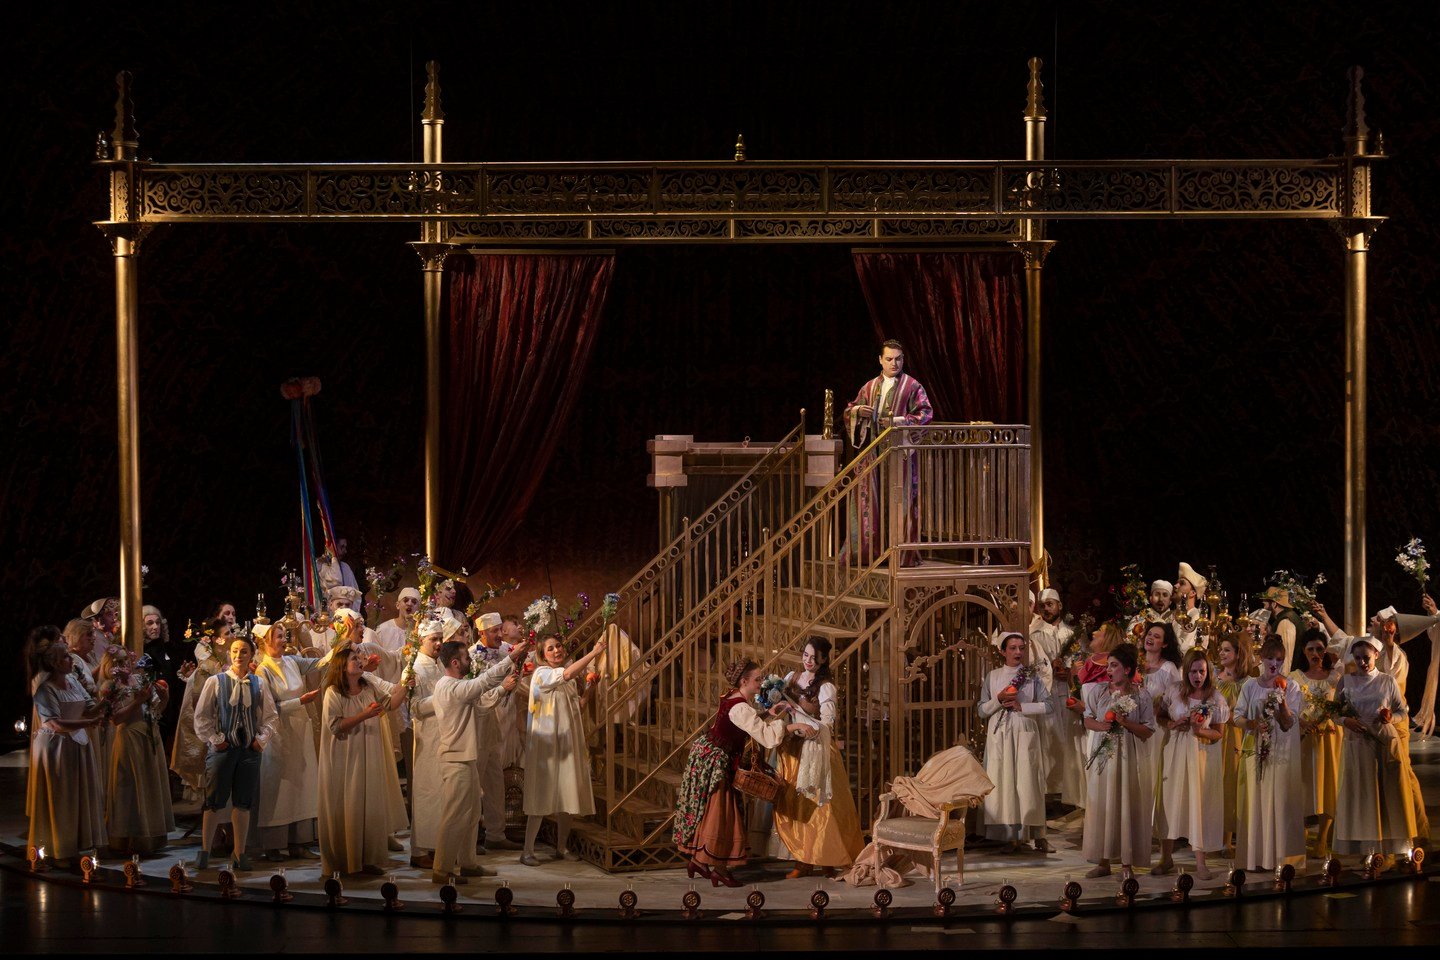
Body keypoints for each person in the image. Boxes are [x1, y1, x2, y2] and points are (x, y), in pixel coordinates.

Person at [674, 658, 812, 886]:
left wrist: (767, 713)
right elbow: (767, 737)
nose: (761, 683)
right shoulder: (740, 707)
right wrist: (794, 726)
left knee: (715, 812)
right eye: (757, 679)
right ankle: (718, 868)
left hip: (711, 755)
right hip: (716, 761)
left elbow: (746, 722)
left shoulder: (735, 697)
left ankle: (700, 862)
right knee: (722, 813)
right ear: (744, 681)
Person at [429, 636, 531, 883]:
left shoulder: (459, 687)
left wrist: (503, 689)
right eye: (465, 658)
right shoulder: (450, 687)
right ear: (455, 662)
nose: (469, 661)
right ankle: (441, 869)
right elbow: (482, 683)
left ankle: (468, 863)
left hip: (466, 758)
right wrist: (511, 657)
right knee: (456, 814)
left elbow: (482, 703)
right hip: (456, 760)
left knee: (472, 813)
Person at [771, 638, 865, 876]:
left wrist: (802, 720)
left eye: (814, 657)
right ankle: (803, 859)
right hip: (792, 748)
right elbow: (779, 707)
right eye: (805, 655)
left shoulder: (826, 687)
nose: (808, 661)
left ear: (823, 659)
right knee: (795, 804)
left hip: (816, 749)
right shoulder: (792, 677)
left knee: (819, 807)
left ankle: (827, 858)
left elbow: (827, 724)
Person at [318, 640, 410, 876]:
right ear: (342, 665)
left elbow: (390, 704)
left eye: (359, 658)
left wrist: (405, 685)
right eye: (354, 659)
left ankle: (368, 858)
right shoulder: (333, 692)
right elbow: (335, 726)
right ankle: (348, 862)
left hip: (369, 752)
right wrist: (364, 715)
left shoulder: (368, 686)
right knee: (351, 803)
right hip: (346, 756)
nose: (360, 661)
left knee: (368, 803)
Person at [841, 338, 934, 565]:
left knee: (900, 502)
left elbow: (925, 413)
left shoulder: (912, 386)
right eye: (889, 359)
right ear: (880, 360)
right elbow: (850, 410)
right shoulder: (870, 387)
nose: (894, 363)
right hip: (873, 455)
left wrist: (899, 421)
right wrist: (858, 411)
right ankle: (868, 552)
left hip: (900, 457)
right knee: (869, 503)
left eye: (898, 359)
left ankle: (901, 554)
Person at [192, 633, 278, 871]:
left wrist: (260, 740)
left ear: (252, 655)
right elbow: (202, 716)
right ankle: (205, 851)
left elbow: (271, 716)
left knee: (243, 802)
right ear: (229, 654)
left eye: (244, 651)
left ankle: (239, 853)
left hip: (248, 750)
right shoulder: (217, 681)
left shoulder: (258, 683)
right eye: (235, 651)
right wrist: (215, 740)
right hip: (223, 749)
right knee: (214, 801)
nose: (239, 655)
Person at [520, 634, 608, 865]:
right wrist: (594, 653)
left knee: (568, 794)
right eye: (550, 649)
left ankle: (562, 847)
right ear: (542, 655)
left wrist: (589, 688)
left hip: (567, 743)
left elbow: (579, 706)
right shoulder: (542, 674)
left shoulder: (566, 677)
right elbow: (567, 674)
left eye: (558, 646)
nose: (556, 651)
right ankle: (527, 851)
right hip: (547, 745)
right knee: (540, 795)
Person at [1333, 635, 1417, 864]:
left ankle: (1388, 849)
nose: (1362, 662)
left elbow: (1401, 710)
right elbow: (1334, 712)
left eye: (1366, 658)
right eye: (1358, 658)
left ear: (1376, 655)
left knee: (1386, 793)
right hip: (1357, 743)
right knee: (1363, 794)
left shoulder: (1387, 681)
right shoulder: (1346, 681)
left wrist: (1391, 717)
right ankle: (1366, 847)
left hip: (1383, 741)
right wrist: (1345, 721)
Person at [27, 626, 105, 868]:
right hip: (56, 748)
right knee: (61, 798)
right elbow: (55, 723)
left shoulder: (72, 680)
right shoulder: (45, 688)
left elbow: (89, 707)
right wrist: (88, 723)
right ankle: (58, 848)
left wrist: (110, 699)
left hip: (78, 743)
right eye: (66, 657)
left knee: (78, 796)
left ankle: (77, 845)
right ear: (54, 663)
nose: (71, 660)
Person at [1080, 643, 1156, 880]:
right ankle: (1103, 861)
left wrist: (1126, 723)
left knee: (1126, 804)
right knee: (1104, 803)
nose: (1109, 670)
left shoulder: (1141, 695)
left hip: (1129, 756)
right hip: (1105, 755)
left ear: (1128, 669)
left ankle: (1126, 863)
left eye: (1114, 666)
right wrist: (1102, 726)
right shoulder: (1099, 691)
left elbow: (1148, 730)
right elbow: (1087, 719)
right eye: (1108, 666)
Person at [253, 621, 325, 862]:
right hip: (279, 733)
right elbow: (269, 708)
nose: (285, 640)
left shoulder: (292, 661)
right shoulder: (263, 671)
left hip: (300, 731)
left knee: (302, 785)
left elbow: (320, 663)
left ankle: (299, 842)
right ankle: (273, 845)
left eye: (285, 636)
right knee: (280, 788)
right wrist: (300, 701)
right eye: (279, 637)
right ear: (265, 642)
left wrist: (340, 641)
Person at [1234, 635, 1305, 872]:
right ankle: (1256, 857)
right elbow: (1237, 716)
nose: (1275, 664)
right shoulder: (1250, 685)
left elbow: (1289, 723)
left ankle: (1280, 858)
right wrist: (1253, 724)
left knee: (1280, 800)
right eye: (1270, 659)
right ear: (1262, 658)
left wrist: (1282, 702)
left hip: (1281, 752)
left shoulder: (1291, 686)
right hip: (1256, 749)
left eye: (1279, 659)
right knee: (1257, 800)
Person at [1155, 649, 1228, 878]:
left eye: (1202, 671)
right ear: (1186, 672)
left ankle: (1200, 862)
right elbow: (1160, 715)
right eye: (1194, 671)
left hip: (1201, 754)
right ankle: (1166, 858)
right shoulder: (1175, 691)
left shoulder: (1215, 698)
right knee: (1170, 801)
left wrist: (1200, 730)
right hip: (1175, 751)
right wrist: (1172, 723)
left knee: (1198, 803)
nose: (1198, 676)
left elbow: (1219, 733)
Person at [979, 632, 1051, 854]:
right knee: (1004, 782)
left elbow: (1048, 705)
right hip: (1000, 734)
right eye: (1012, 648)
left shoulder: (1032, 676)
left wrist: (1023, 707)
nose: (1018, 652)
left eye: (1021, 648)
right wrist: (998, 700)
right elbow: (981, 710)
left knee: (1028, 782)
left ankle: (1037, 834)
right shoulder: (993, 676)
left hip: (1024, 730)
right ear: (1003, 651)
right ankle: (1010, 837)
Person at [99, 647, 174, 855]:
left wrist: (164, 698)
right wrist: (137, 701)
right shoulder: (110, 686)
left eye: (126, 660)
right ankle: (128, 837)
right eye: (118, 662)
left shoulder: (139, 680)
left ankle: (151, 838)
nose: (123, 665)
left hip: (148, 734)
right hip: (130, 737)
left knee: (149, 784)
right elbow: (115, 719)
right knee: (130, 786)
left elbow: (154, 710)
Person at [471, 611, 522, 851]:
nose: (500, 634)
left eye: (501, 629)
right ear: (482, 633)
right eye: (494, 631)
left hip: (496, 724)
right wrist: (502, 688)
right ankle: (471, 837)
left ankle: (496, 833)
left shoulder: (504, 651)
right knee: (475, 782)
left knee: (495, 780)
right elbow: (476, 692)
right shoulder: (472, 656)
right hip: (477, 725)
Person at [1029, 588, 1083, 805]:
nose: (1046, 609)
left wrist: (1069, 672)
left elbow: (1082, 661)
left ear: (1059, 606)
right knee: (1049, 740)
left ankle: (1070, 792)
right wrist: (1050, 670)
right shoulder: (1034, 634)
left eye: (1050, 604)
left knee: (1069, 739)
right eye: (1042, 606)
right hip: (1047, 692)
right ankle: (1050, 792)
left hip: (1068, 691)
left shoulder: (1073, 634)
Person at [1291, 629, 1342, 858]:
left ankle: (1322, 837)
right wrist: (1301, 722)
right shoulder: (1295, 677)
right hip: (1304, 736)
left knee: (1328, 784)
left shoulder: (1334, 678)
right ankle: (1301, 832)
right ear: (1303, 651)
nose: (1315, 653)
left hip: (1328, 738)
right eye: (1310, 649)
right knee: (1303, 785)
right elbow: (1289, 706)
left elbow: (1341, 704)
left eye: (1319, 649)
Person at [171, 617, 231, 802]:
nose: (232, 636)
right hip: (209, 718)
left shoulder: (226, 656)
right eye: (227, 633)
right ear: (215, 639)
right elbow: (200, 699)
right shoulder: (206, 664)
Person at [406, 619, 447, 869]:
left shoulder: (439, 663)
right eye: (434, 639)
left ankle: (435, 846)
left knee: (440, 793)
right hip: (427, 737)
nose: (439, 643)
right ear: (421, 640)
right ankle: (419, 850)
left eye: (441, 638)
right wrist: (442, 697)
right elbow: (414, 708)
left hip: (443, 736)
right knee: (425, 792)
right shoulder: (415, 668)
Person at [1138, 622, 1182, 839]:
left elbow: (1177, 699)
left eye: (1156, 636)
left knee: (1152, 774)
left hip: (1156, 729)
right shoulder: (1136, 664)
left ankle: (1151, 828)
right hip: (1135, 727)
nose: (1150, 638)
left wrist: (1161, 705)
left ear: (1164, 644)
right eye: (1149, 634)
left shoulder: (1168, 669)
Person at [1215, 631, 1254, 856]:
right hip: (1213, 737)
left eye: (1227, 650)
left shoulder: (1246, 683)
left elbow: (1244, 714)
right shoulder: (1215, 678)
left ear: (1239, 654)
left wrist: (1224, 715)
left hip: (1235, 738)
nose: (1221, 653)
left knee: (1230, 784)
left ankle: (1227, 840)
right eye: (1221, 649)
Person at [141, 605, 184, 749]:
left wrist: (182, 673)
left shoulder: (167, 648)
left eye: (157, 622)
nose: (155, 627)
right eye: (150, 623)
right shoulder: (141, 650)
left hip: (169, 707)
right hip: (152, 708)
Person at [1261, 586, 1306, 671]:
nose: (1264, 609)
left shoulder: (1285, 622)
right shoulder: (1286, 618)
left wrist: (1281, 677)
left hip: (1289, 676)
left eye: (1265, 605)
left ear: (1274, 604)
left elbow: (1285, 658)